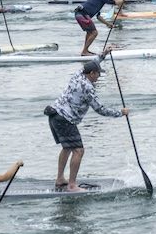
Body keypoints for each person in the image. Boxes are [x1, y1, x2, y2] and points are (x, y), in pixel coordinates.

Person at [45, 59, 128, 192]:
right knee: (78, 150)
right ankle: (72, 185)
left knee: (67, 148)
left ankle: (60, 179)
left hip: (54, 115)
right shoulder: (87, 88)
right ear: (92, 73)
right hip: (65, 119)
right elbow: (100, 109)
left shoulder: (78, 74)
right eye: (98, 74)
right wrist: (120, 113)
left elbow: (92, 62)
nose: (99, 77)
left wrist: (104, 54)